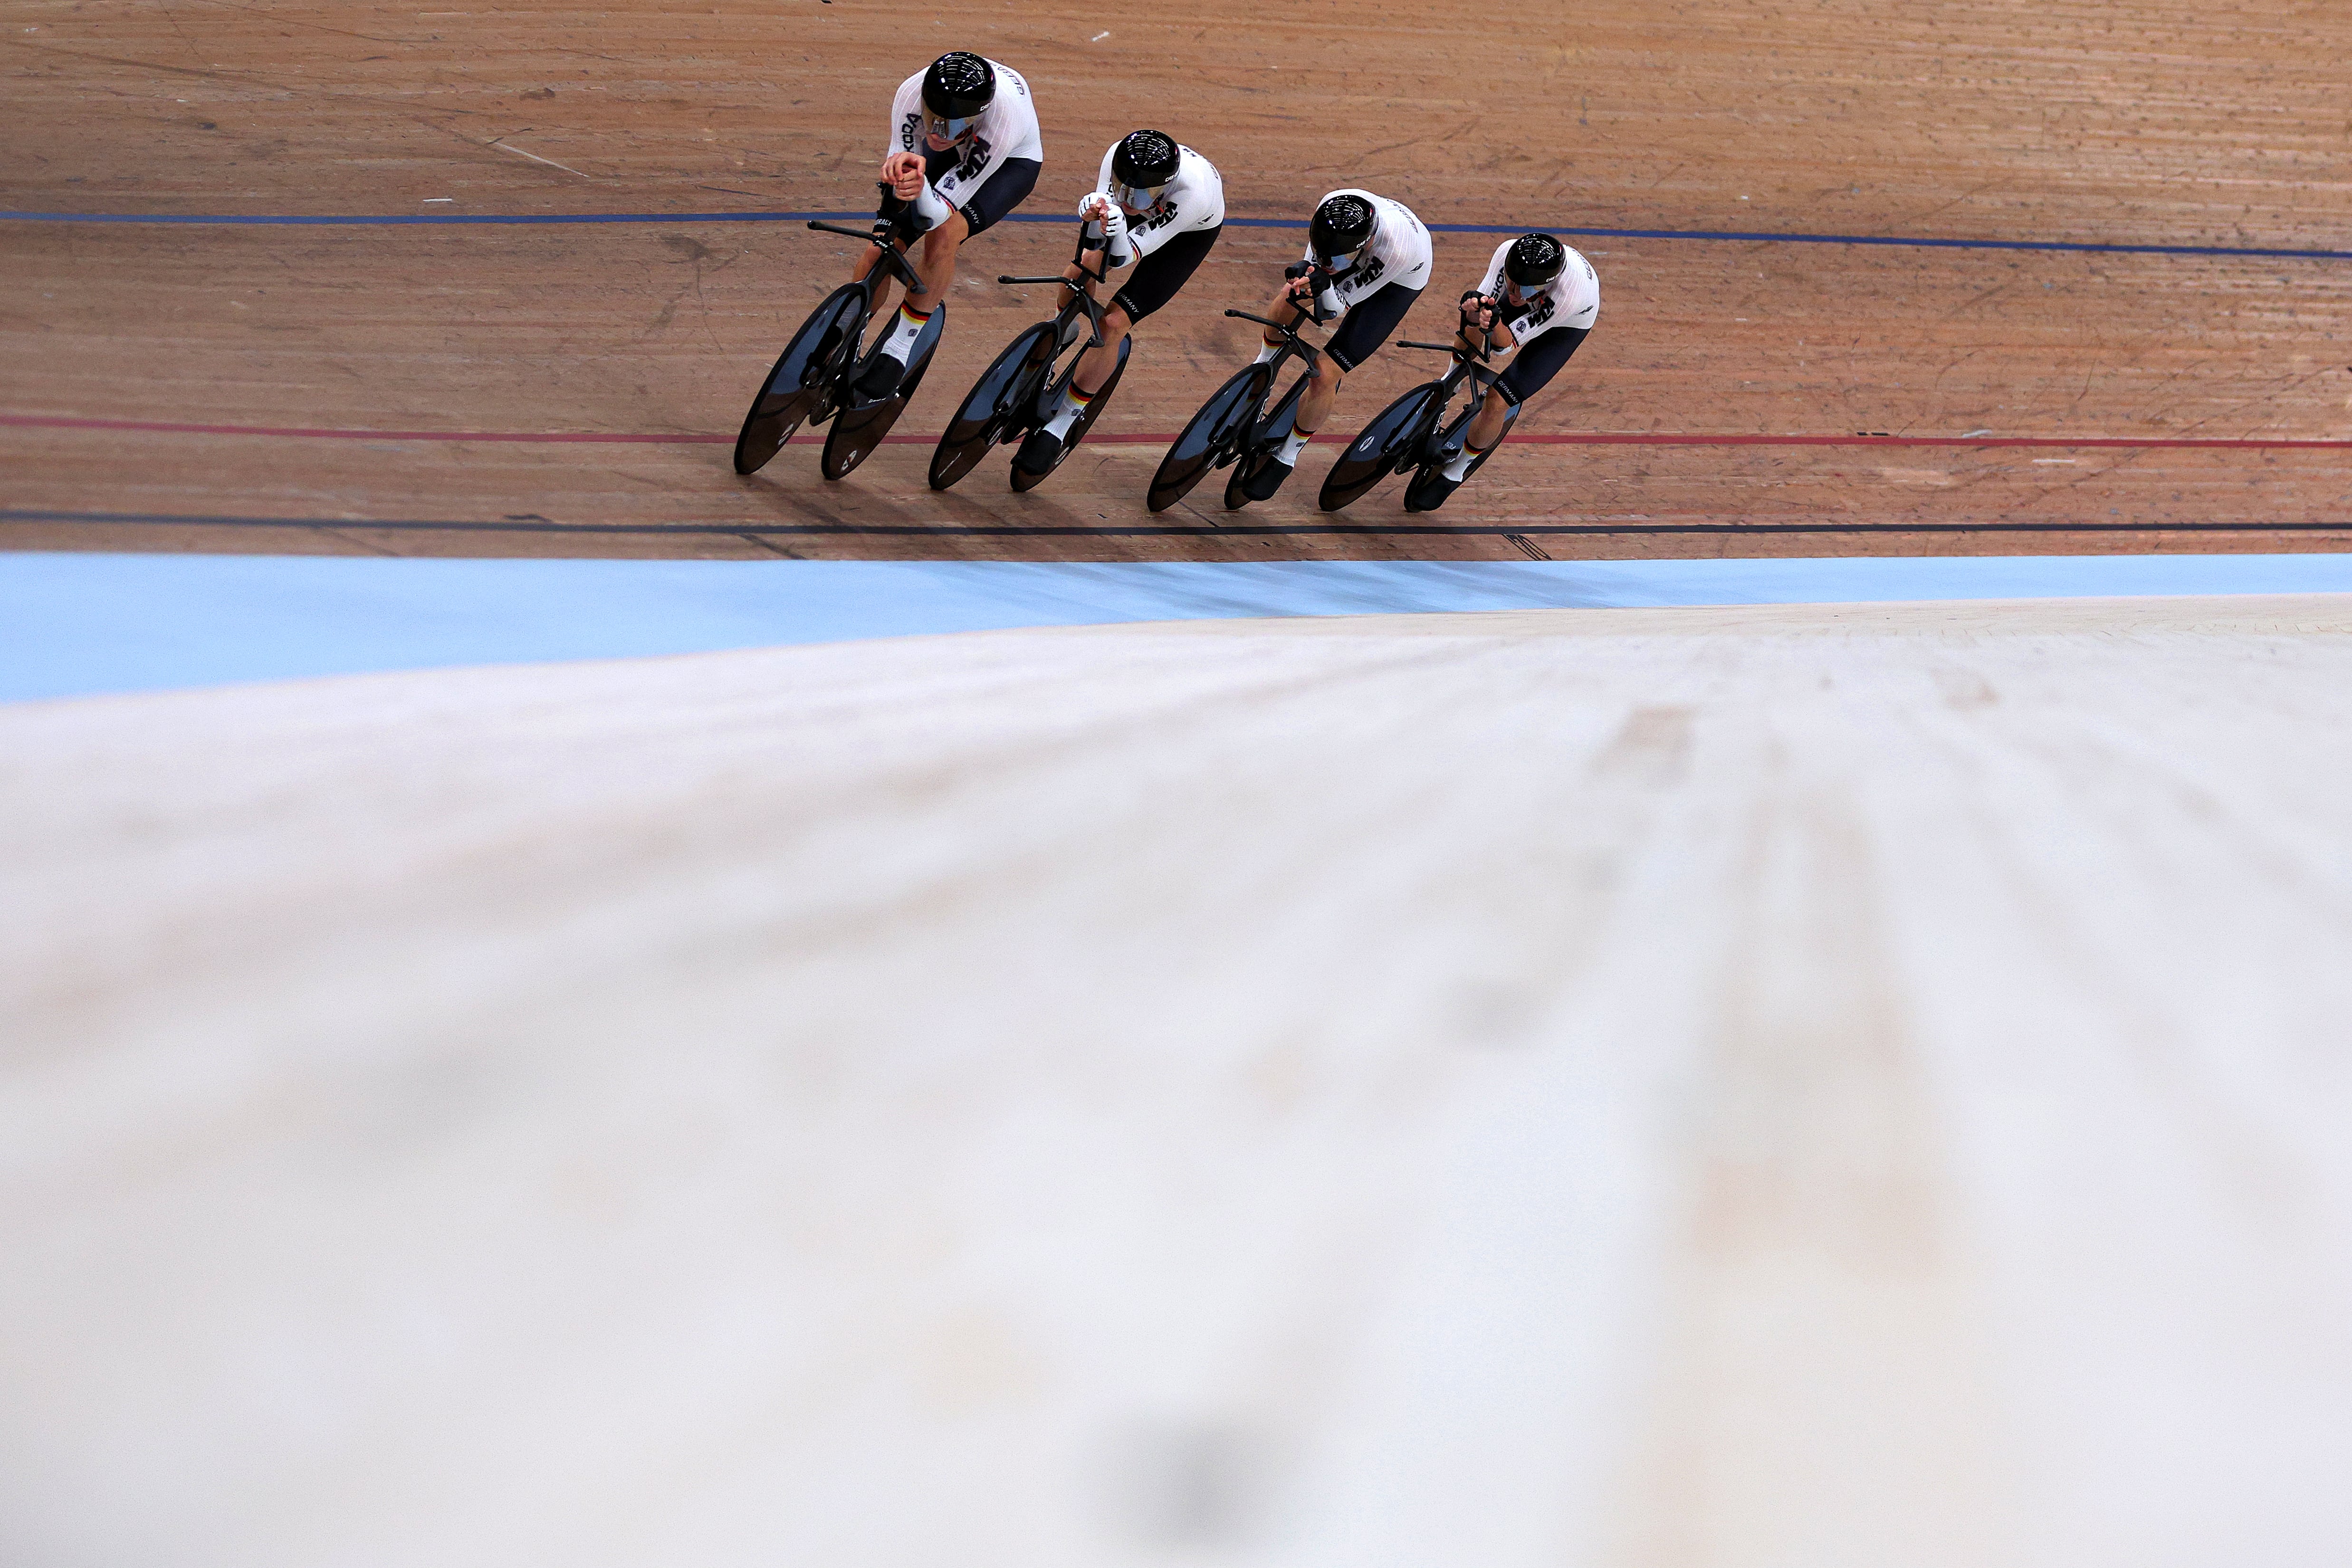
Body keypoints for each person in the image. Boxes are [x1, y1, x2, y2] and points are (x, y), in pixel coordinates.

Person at [1017, 129, 1225, 475]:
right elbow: (1100, 235)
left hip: (1186, 233)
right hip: (1148, 211)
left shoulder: (1193, 195)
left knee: (1114, 323)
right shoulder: (1117, 154)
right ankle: (1063, 328)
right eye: (1123, 187)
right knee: (1082, 268)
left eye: (1140, 193)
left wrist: (1116, 227)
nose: (1129, 199)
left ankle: (1063, 422)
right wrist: (1093, 213)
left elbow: (1123, 257)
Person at [852, 51, 1042, 400]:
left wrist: (922, 188)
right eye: (932, 119)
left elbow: (937, 213)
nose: (938, 133)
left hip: (1009, 164)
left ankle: (900, 347)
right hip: (965, 137)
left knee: (943, 236)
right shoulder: (911, 92)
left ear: (975, 119)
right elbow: (904, 159)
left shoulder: (1002, 125)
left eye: (951, 125)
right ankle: (847, 331)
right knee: (880, 246)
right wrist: (902, 175)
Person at [1235, 189, 1431, 501]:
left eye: (1341, 259)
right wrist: (1310, 274)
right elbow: (1315, 274)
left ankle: (1287, 457)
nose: (1333, 263)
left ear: (1363, 245)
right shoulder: (1330, 210)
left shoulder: (1395, 251)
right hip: (1357, 244)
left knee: (1326, 373)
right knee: (1294, 291)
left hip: (1398, 278)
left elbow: (1333, 310)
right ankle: (1262, 373)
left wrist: (1325, 283)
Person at [1408, 231, 1599, 510]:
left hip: (1566, 324)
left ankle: (1455, 472)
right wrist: (1475, 311)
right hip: (1542, 297)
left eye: (1527, 289)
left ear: (1545, 284)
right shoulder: (1506, 254)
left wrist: (1494, 323)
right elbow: (1484, 307)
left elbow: (1502, 347)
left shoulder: (1568, 295)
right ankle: (1450, 384)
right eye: (1512, 283)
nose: (1517, 294)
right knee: (1474, 324)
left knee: (1498, 401)